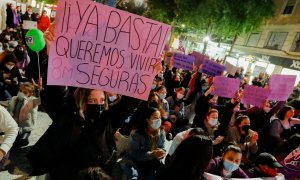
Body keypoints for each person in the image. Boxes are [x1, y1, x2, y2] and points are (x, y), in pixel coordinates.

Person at [28, 88, 117, 179]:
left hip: (99, 175)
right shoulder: (68, 118)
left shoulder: (106, 120)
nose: (98, 105)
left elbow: (126, 106)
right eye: (92, 100)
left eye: (102, 100)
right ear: (82, 100)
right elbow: (55, 98)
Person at [125, 107, 166, 180]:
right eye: (156, 118)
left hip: (151, 162)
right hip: (134, 161)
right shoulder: (136, 133)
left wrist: (162, 152)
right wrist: (150, 154)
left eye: (160, 118)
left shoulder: (161, 132)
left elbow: (162, 147)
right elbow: (132, 153)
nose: (159, 120)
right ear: (147, 119)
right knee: (134, 176)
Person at [7, 80, 42, 147]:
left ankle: (24, 138)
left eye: (25, 92)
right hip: (15, 126)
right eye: (20, 91)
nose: (21, 93)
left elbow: (41, 100)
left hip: (25, 127)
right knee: (10, 140)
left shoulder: (32, 101)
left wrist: (41, 90)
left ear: (30, 94)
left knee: (22, 140)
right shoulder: (14, 99)